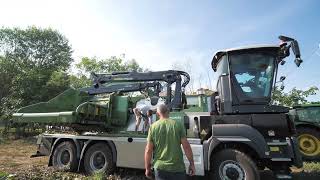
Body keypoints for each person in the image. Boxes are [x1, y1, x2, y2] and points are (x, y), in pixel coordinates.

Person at [144, 104, 195, 180]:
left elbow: (148, 150)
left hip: (160, 168)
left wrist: (147, 168)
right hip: (178, 168)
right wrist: (192, 164)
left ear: (158, 114)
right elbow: (186, 147)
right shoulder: (178, 125)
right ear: (168, 112)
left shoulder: (153, 127)